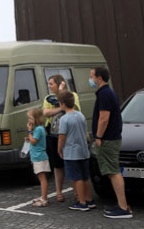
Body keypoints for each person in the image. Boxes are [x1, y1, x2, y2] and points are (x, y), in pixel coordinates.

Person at [90, 66, 132, 219]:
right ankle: (122, 205)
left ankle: (123, 208)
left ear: (99, 78)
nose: (91, 80)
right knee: (112, 171)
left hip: (107, 139)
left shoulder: (105, 94)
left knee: (113, 172)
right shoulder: (106, 93)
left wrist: (98, 137)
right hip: (110, 138)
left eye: (92, 76)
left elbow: (104, 118)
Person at [43, 74, 80, 202]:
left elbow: (74, 108)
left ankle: (77, 192)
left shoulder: (72, 95)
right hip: (53, 135)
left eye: (51, 83)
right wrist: (61, 108)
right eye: (48, 83)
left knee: (71, 163)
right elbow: (46, 113)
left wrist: (60, 95)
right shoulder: (48, 98)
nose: (49, 86)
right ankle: (59, 191)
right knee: (57, 165)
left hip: (69, 134)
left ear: (59, 84)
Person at [57, 90, 95, 212]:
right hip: (83, 150)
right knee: (85, 177)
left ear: (62, 103)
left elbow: (62, 137)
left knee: (76, 177)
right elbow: (85, 133)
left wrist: (59, 149)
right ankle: (89, 200)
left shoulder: (64, 119)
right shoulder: (81, 115)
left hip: (71, 152)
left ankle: (81, 202)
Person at [26, 108, 51, 207]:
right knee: (42, 178)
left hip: (39, 157)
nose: (29, 120)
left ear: (36, 119)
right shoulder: (40, 129)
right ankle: (43, 196)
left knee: (42, 179)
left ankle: (44, 199)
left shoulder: (38, 129)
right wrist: (30, 137)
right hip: (38, 156)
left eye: (30, 118)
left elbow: (34, 141)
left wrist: (29, 132)